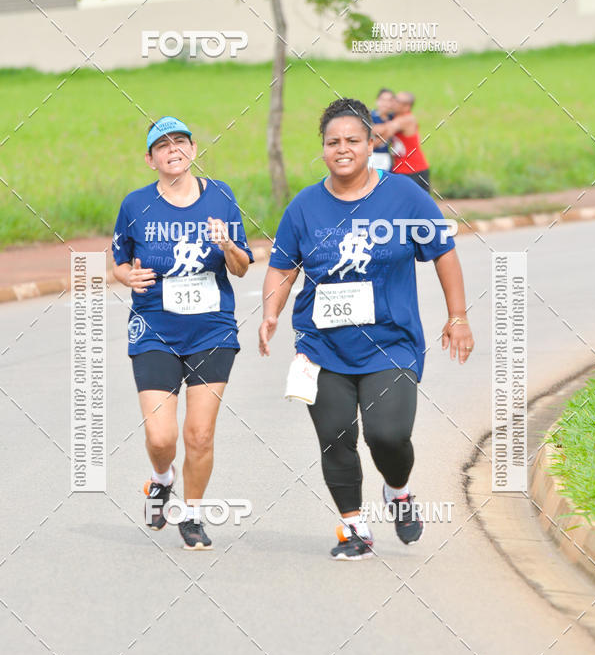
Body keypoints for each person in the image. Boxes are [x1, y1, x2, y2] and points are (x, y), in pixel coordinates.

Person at [259, 98, 473, 560]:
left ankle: (398, 490)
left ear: (371, 143)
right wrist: (270, 312)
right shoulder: (304, 206)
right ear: (322, 148)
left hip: (391, 344)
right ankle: (354, 527)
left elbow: (443, 251)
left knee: (387, 435)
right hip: (322, 345)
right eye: (332, 142)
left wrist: (457, 316)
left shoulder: (404, 196)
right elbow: (282, 267)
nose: (342, 149)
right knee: (335, 436)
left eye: (352, 140)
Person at [112, 115, 253, 550]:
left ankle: (191, 515)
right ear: (150, 159)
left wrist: (226, 244)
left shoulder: (221, 196)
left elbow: (242, 267)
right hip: (154, 328)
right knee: (161, 437)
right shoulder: (136, 205)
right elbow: (119, 261)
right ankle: (161, 478)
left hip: (212, 329)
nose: (173, 150)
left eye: (180, 142)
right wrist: (126, 277)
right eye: (162, 146)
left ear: (193, 149)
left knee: (199, 434)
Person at [373, 91, 430, 192]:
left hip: (413, 170)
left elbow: (383, 131)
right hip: (401, 169)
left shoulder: (406, 119)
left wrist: (361, 126)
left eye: (397, 101)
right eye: (394, 99)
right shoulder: (395, 117)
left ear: (407, 107)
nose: (393, 103)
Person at [369, 88, 395, 171]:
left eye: (389, 101)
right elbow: (373, 130)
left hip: (386, 157)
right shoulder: (370, 116)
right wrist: (388, 129)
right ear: (377, 101)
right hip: (372, 157)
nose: (386, 104)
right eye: (383, 100)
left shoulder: (392, 117)